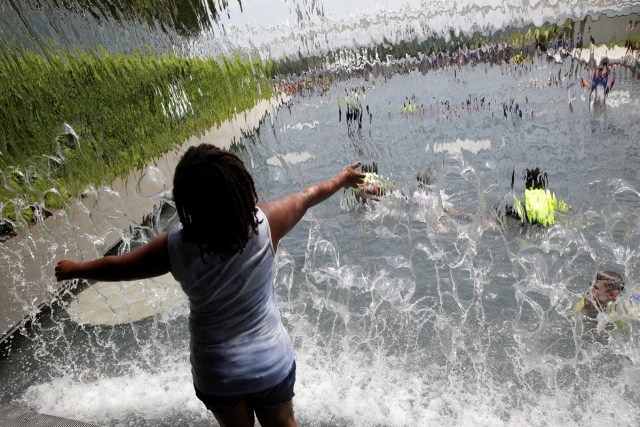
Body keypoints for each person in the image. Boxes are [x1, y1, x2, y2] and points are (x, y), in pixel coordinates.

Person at [55, 144, 365, 427]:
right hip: (269, 362)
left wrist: (77, 269)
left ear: (187, 203)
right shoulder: (267, 223)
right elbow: (309, 195)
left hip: (216, 372)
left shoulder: (174, 246)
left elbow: (120, 267)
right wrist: (342, 179)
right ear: (239, 188)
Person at [503, 167, 568, 227]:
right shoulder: (549, 198)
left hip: (528, 221)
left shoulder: (524, 197)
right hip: (546, 222)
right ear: (543, 184)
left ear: (526, 184)